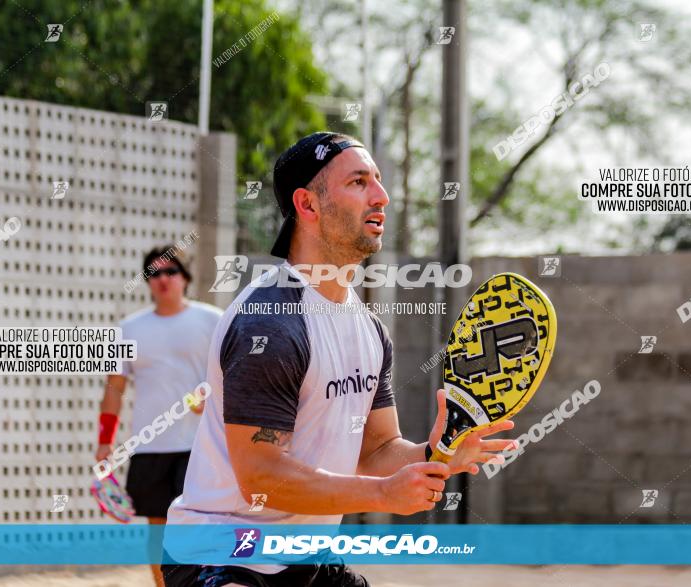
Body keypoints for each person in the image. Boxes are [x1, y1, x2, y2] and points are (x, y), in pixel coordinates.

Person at [163, 133, 517, 587]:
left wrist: (437, 455)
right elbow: (261, 478)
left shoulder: (369, 329)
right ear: (308, 205)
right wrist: (384, 494)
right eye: (358, 182)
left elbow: (375, 451)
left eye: (378, 181)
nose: (382, 197)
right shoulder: (270, 325)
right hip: (223, 552)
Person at [96, 246, 222, 587]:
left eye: (170, 272)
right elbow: (114, 388)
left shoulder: (213, 319)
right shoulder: (129, 328)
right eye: (154, 273)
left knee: (199, 525)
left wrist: (209, 396)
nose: (163, 279)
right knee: (158, 528)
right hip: (149, 445)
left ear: (185, 277)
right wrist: (105, 443)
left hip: (200, 445)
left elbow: (234, 374)